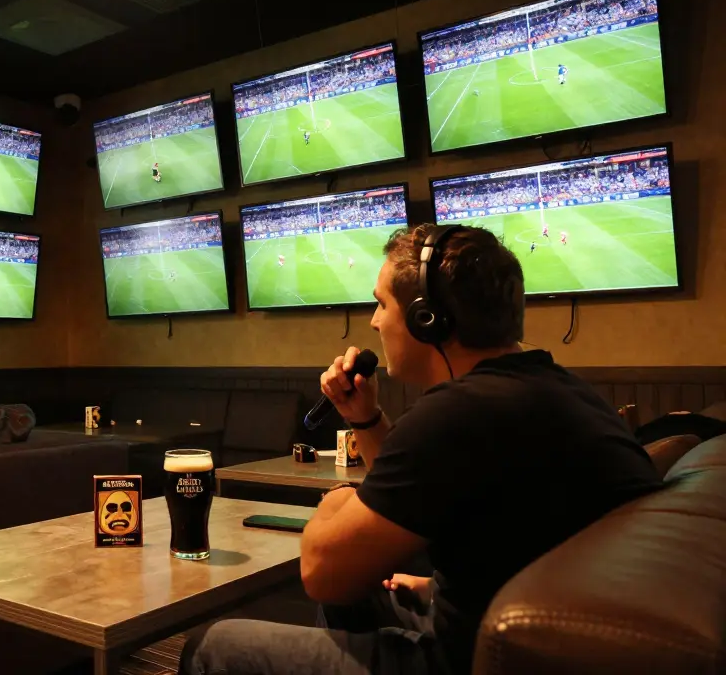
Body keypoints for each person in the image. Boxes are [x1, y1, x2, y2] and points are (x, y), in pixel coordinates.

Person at [179, 224, 660, 675]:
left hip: (474, 660)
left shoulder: (457, 413)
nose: (373, 322)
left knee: (212, 646)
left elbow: (322, 572)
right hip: (548, 644)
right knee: (358, 594)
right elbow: (445, 500)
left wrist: (337, 503)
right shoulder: (561, 391)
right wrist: (365, 417)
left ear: (425, 319)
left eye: (381, 305)